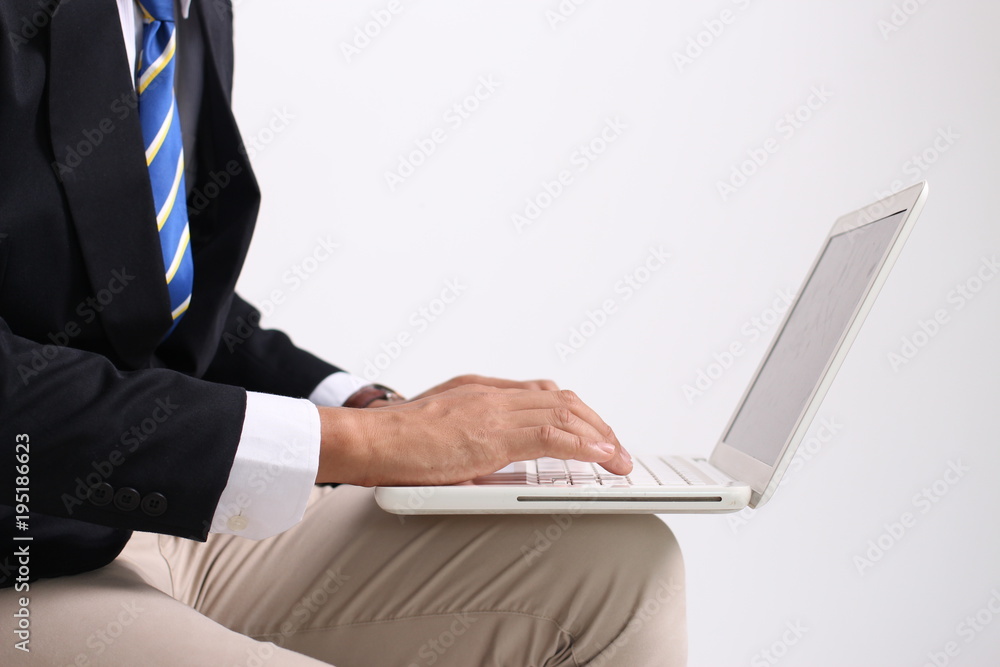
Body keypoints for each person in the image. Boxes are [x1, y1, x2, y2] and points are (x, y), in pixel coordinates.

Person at [0, 1, 686, 664]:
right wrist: (359, 445)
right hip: (25, 558)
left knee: (623, 571)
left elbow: (145, 291)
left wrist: (370, 408)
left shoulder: (184, 9)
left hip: (169, 514)